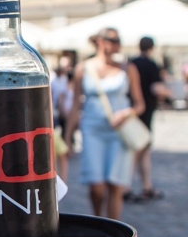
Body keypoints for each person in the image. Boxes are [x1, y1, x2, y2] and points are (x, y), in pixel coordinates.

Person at [64, 28, 145, 220]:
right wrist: (68, 136)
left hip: (119, 131)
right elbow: (76, 104)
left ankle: (113, 230)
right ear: (100, 42)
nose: (117, 44)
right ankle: (99, 219)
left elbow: (140, 103)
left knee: (115, 184)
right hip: (92, 130)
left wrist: (127, 112)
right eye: (113, 40)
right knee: (96, 184)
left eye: (119, 41)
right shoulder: (83, 69)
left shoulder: (128, 68)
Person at [128, 36, 170, 201]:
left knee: (143, 150)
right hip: (144, 113)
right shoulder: (152, 65)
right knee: (138, 150)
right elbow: (156, 88)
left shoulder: (132, 63)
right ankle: (126, 187)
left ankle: (147, 186)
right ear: (152, 48)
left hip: (133, 112)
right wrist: (170, 92)